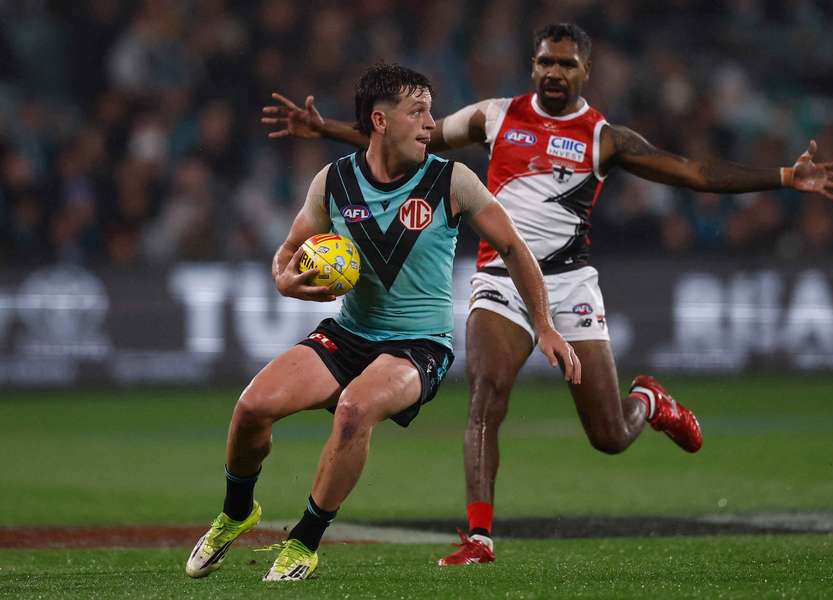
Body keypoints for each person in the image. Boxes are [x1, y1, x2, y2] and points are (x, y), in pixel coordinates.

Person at [260, 23, 833, 567]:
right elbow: (410, 138)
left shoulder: (602, 138)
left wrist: (782, 177)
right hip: (500, 277)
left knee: (610, 435)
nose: (554, 73)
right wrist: (331, 130)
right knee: (486, 396)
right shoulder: (493, 116)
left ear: (584, 73)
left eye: (567, 65)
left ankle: (648, 401)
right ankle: (478, 537)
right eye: (546, 62)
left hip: (569, 285)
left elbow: (693, 172)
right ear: (533, 64)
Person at [185, 63, 579, 582]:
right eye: (417, 112)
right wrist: (284, 280)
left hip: (419, 347)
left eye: (431, 112)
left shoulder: (450, 180)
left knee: (353, 411)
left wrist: (545, 325)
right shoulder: (335, 182)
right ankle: (237, 513)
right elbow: (287, 251)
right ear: (380, 120)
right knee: (252, 407)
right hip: (349, 334)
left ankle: (304, 541)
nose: (429, 124)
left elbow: (514, 248)